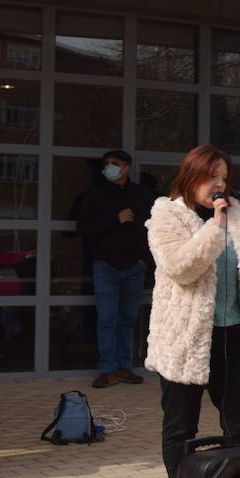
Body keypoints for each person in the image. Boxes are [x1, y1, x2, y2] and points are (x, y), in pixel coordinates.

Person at [145, 145, 240, 478]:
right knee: (181, 429)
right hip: (186, 340)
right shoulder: (167, 215)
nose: (219, 185)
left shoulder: (238, 213)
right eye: (212, 176)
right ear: (191, 175)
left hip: (234, 335)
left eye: (224, 178)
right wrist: (215, 228)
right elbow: (181, 268)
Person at [74, 149, 154, 389]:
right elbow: (83, 228)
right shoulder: (95, 195)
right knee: (107, 318)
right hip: (105, 266)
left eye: (116, 163)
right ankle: (107, 369)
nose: (110, 167)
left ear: (127, 168)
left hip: (134, 266)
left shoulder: (141, 194)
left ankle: (123, 367)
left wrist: (144, 260)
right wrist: (115, 220)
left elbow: (155, 226)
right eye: (107, 164)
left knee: (128, 319)